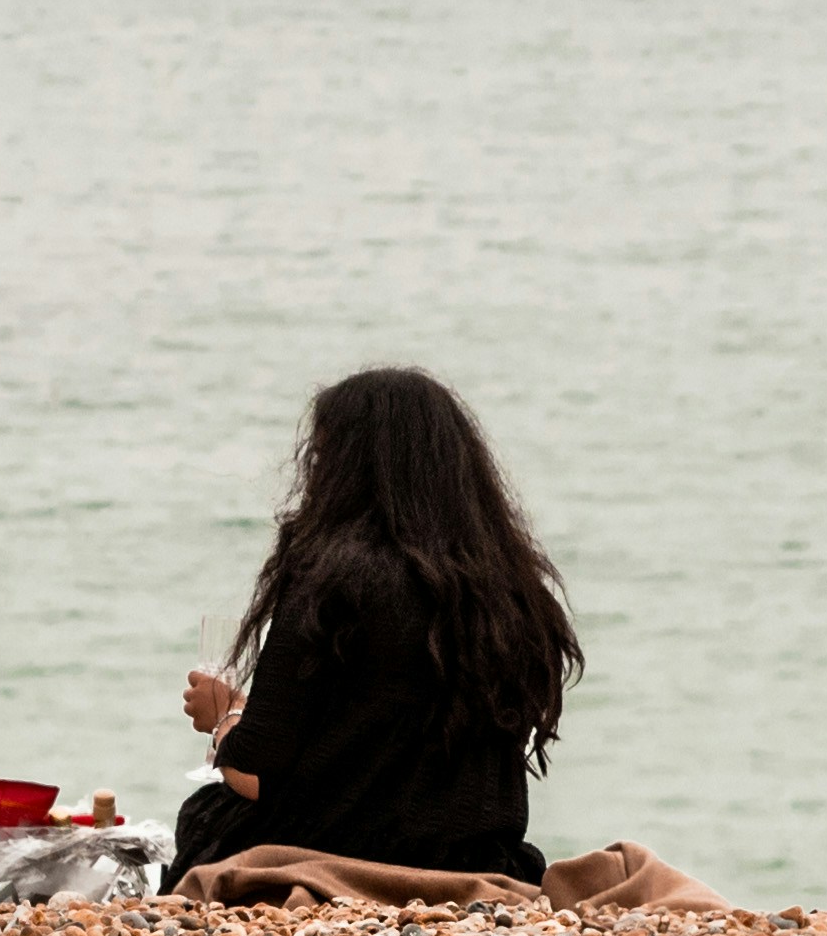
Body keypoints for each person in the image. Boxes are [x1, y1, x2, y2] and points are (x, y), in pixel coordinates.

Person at [176, 367, 581, 884]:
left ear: (345, 469)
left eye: (321, 459)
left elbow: (258, 771)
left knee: (207, 813)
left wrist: (225, 719)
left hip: (341, 852)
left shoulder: (329, 576)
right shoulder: (510, 593)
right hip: (472, 860)